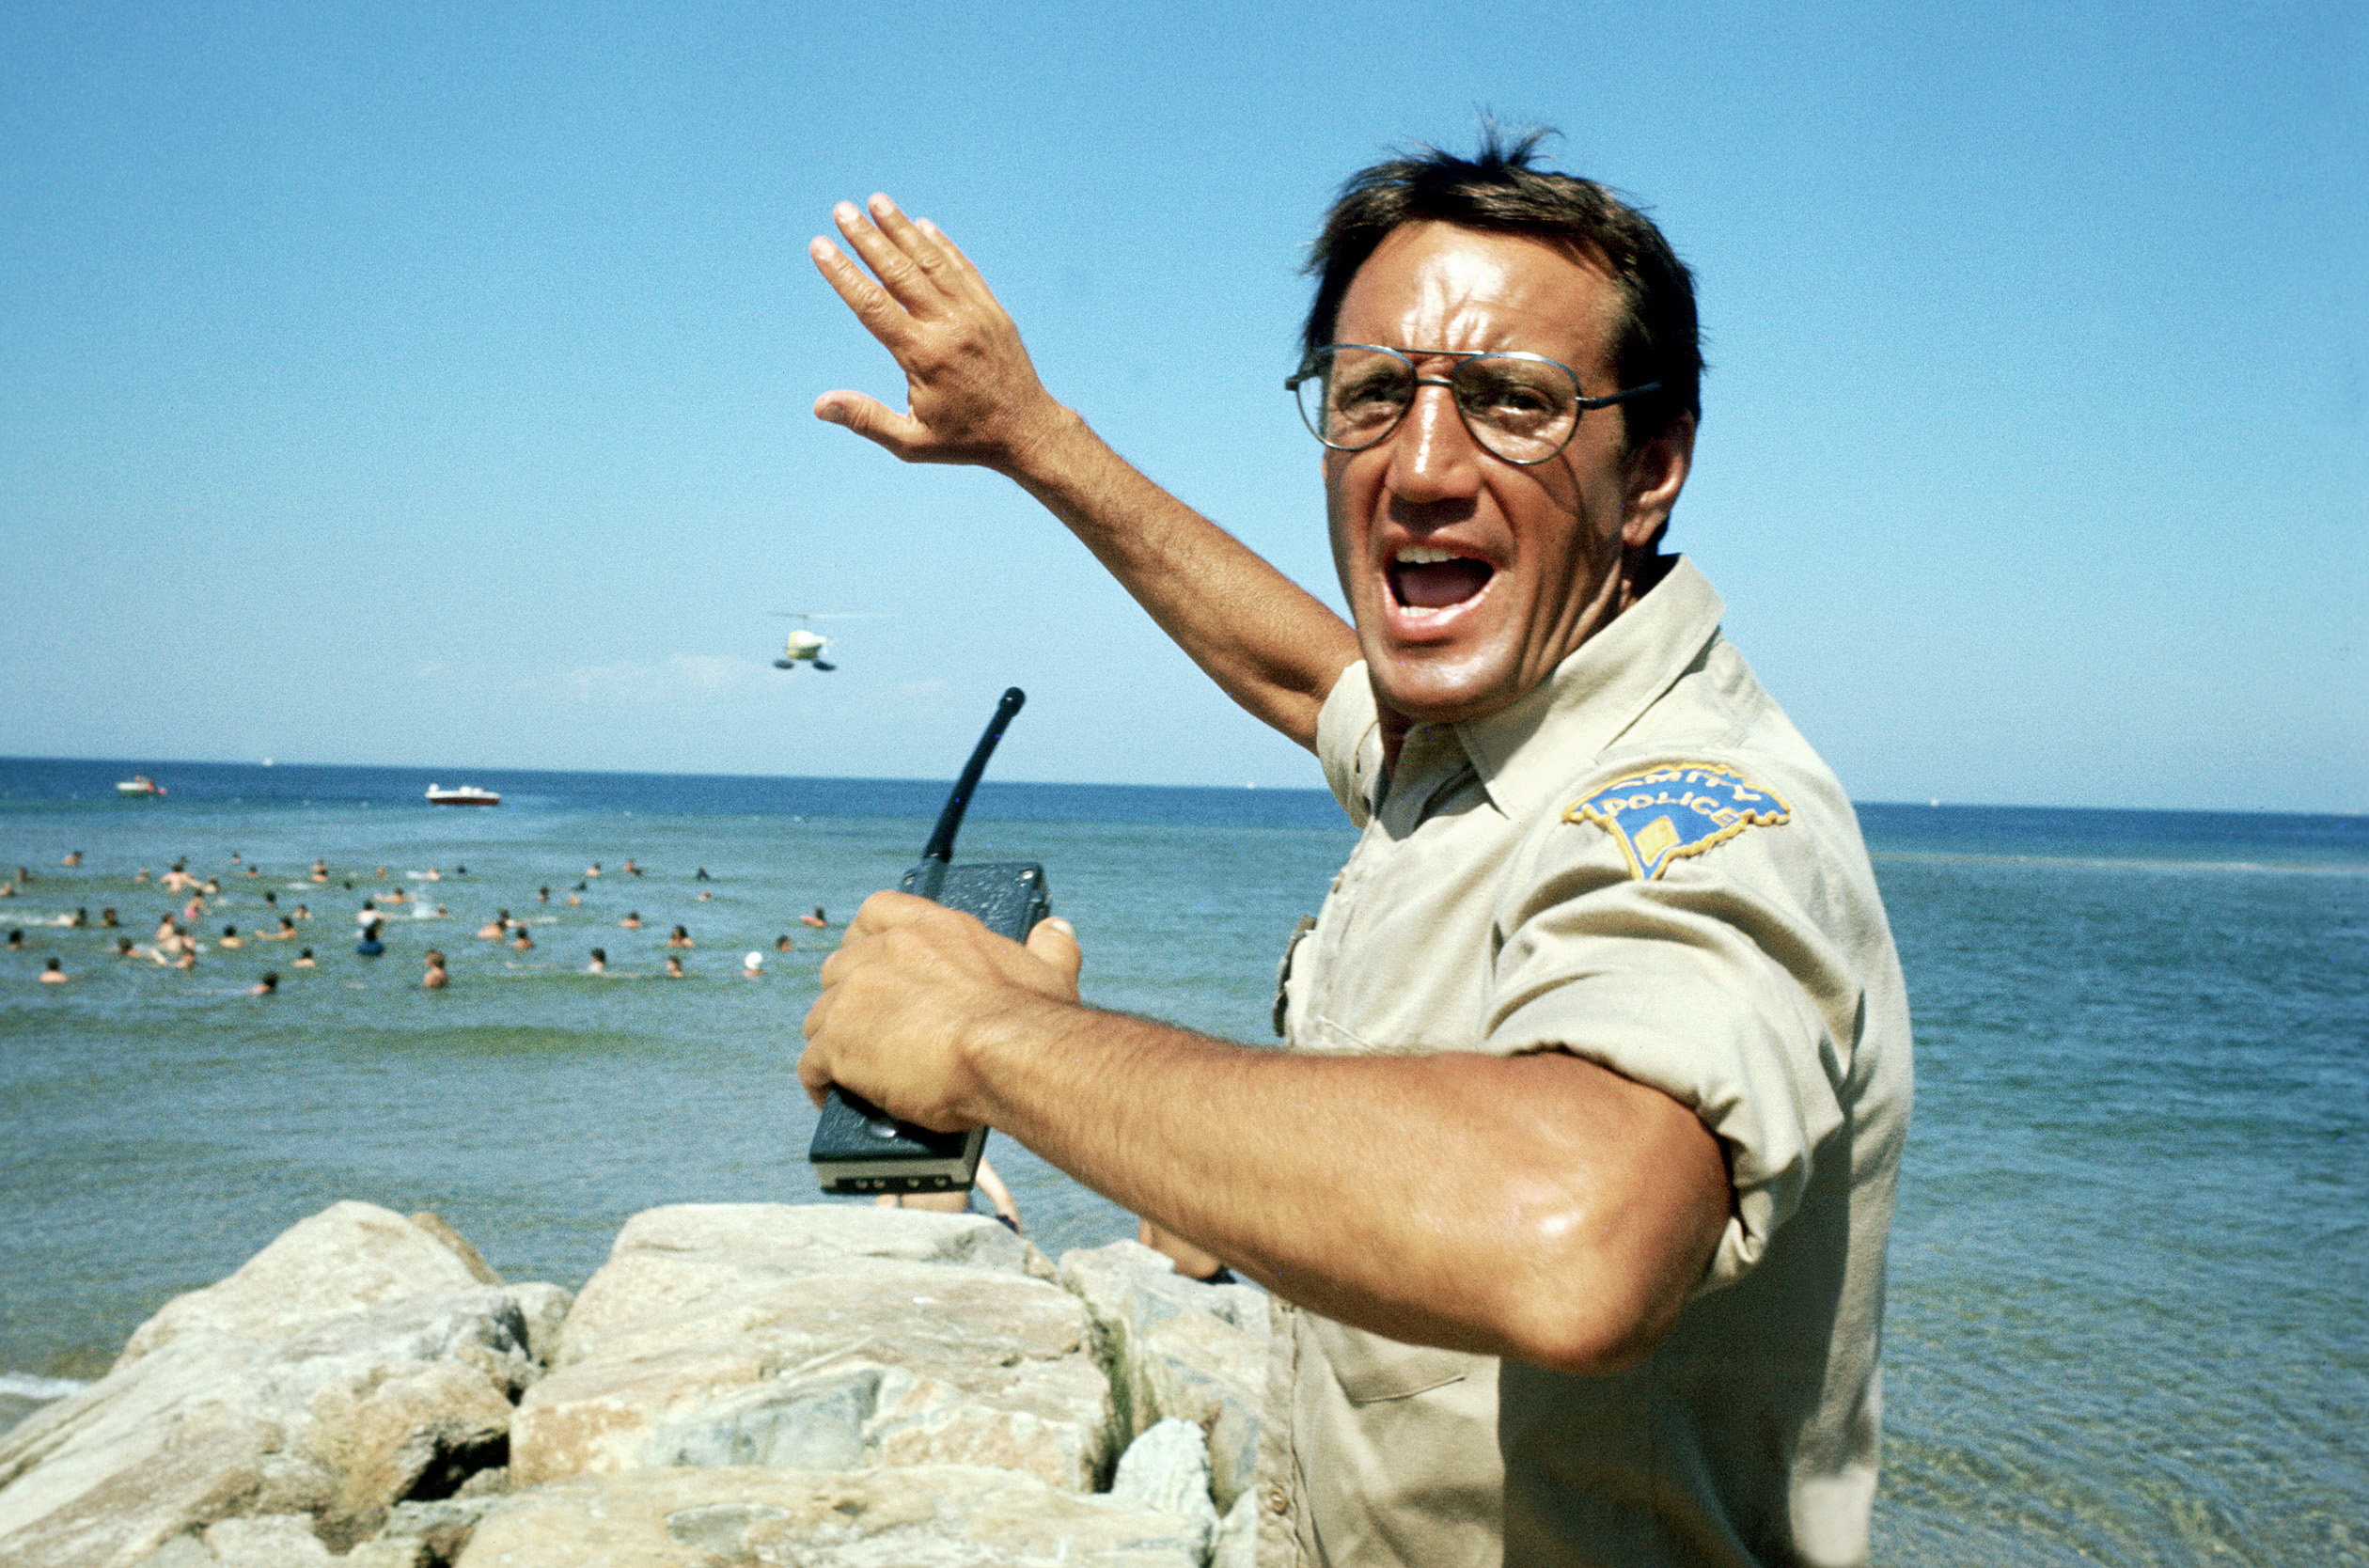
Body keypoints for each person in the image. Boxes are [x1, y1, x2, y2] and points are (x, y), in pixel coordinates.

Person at [795, 134, 1911, 1568]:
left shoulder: (1698, 807)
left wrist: (990, 1039)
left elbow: (1579, 1232)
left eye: (1515, 402)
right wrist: (1032, 435)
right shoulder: (1477, 735)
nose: (1422, 468)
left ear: (1652, 471)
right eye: (1371, 396)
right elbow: (1293, 669)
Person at [872, 1154, 1024, 1233]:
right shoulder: (963, 1152)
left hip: (916, 1227)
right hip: (960, 1225)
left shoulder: (903, 1156)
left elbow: (885, 1205)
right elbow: (1004, 1200)